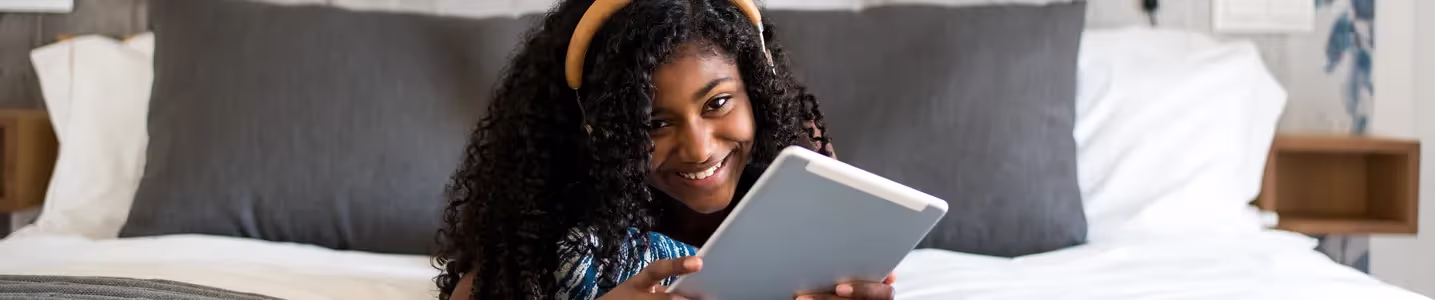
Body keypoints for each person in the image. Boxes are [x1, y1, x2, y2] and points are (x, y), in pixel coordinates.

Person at [434, 0, 894, 299]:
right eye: (654, 123)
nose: (698, 149)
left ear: (756, 91)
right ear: (600, 129)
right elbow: (481, 288)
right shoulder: (567, 202)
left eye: (717, 103)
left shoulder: (796, 163)